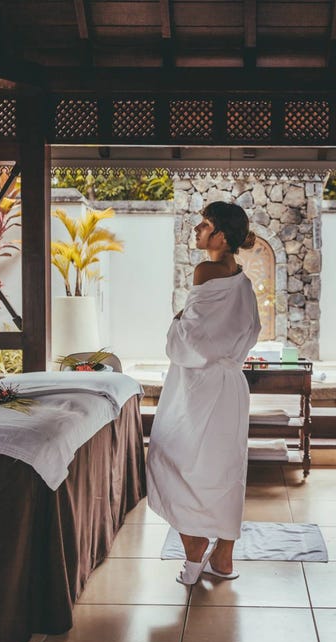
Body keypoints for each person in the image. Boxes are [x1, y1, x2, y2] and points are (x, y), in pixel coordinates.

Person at [146, 201, 262, 585]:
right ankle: (222, 558)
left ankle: (195, 551)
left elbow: (194, 338)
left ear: (221, 236)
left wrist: (176, 322)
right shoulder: (243, 282)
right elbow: (248, 333)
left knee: (168, 457)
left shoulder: (205, 271)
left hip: (199, 387)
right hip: (230, 386)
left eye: (205, 224)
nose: (197, 229)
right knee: (225, 469)